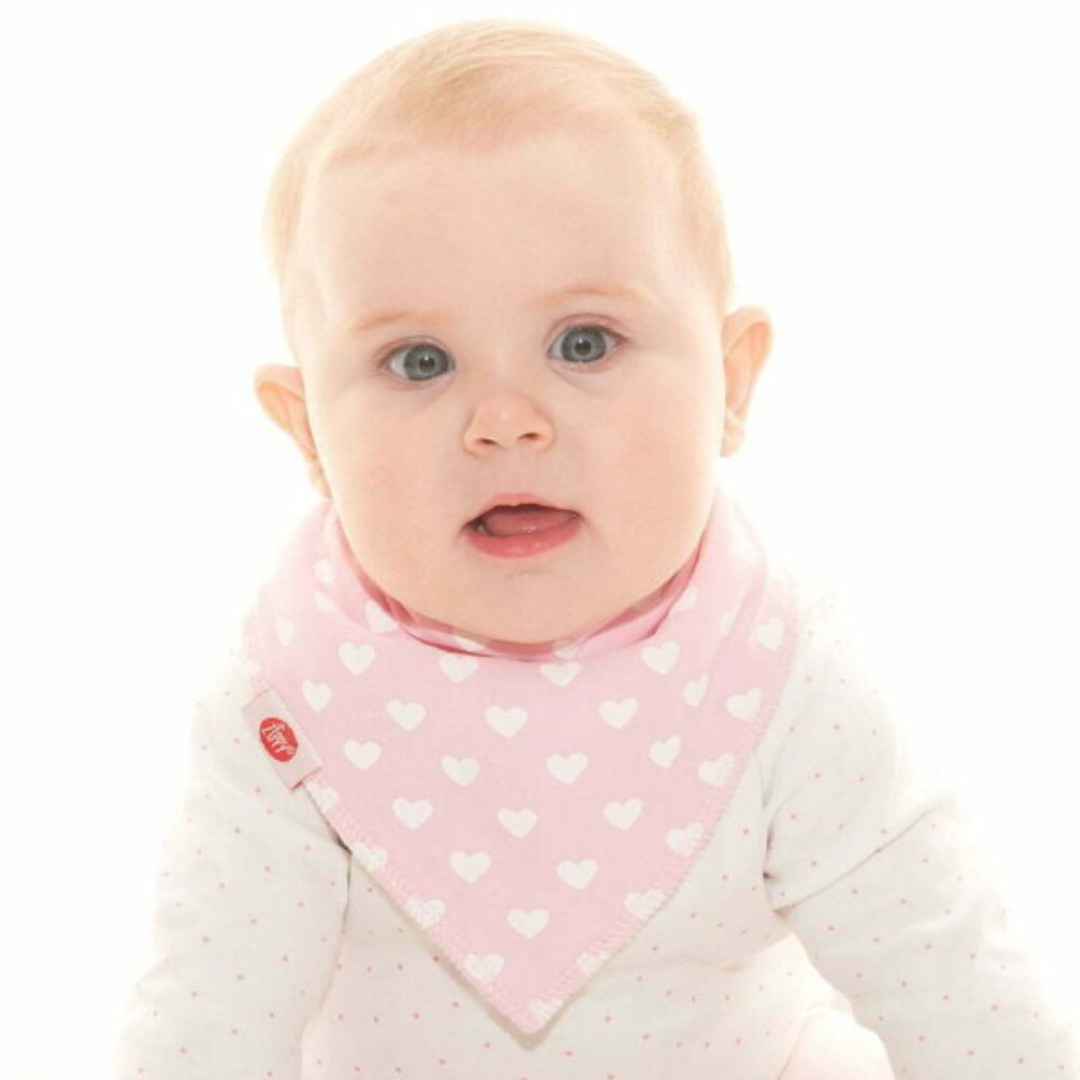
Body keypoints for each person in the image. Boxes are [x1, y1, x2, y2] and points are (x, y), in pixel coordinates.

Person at [115, 18, 1079, 1078]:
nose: (505, 420)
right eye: (420, 360)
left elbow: (953, 978)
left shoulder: (779, 667)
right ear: (308, 433)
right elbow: (207, 1017)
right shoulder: (291, 694)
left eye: (584, 343)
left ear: (731, 382)